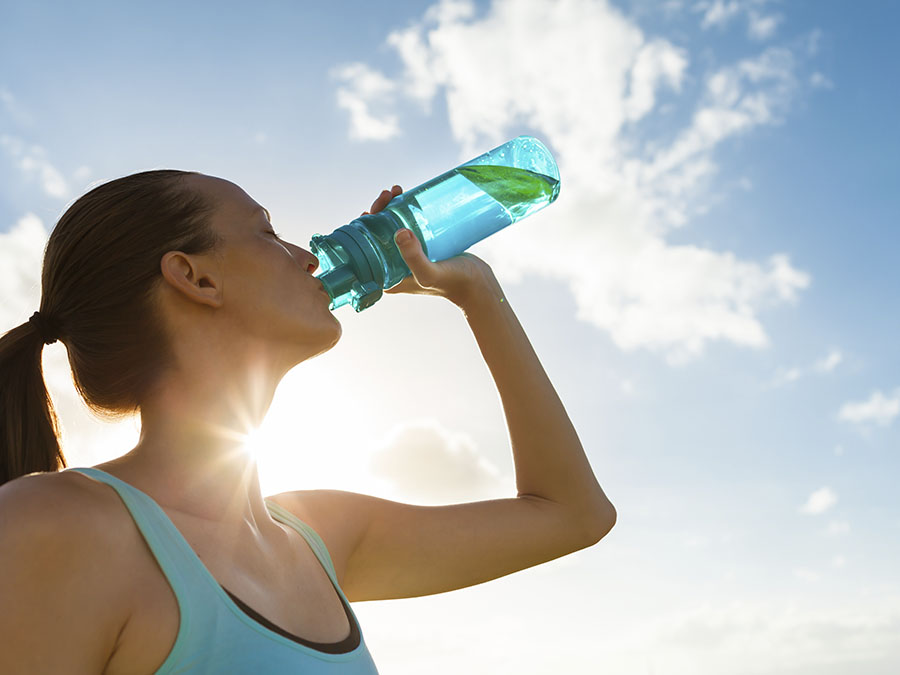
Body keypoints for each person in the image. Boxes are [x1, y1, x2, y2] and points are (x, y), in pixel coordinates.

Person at [0, 170, 616, 673]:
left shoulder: (318, 537)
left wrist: (478, 294)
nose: (306, 255)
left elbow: (573, 515)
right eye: (268, 233)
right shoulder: (55, 525)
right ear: (196, 276)